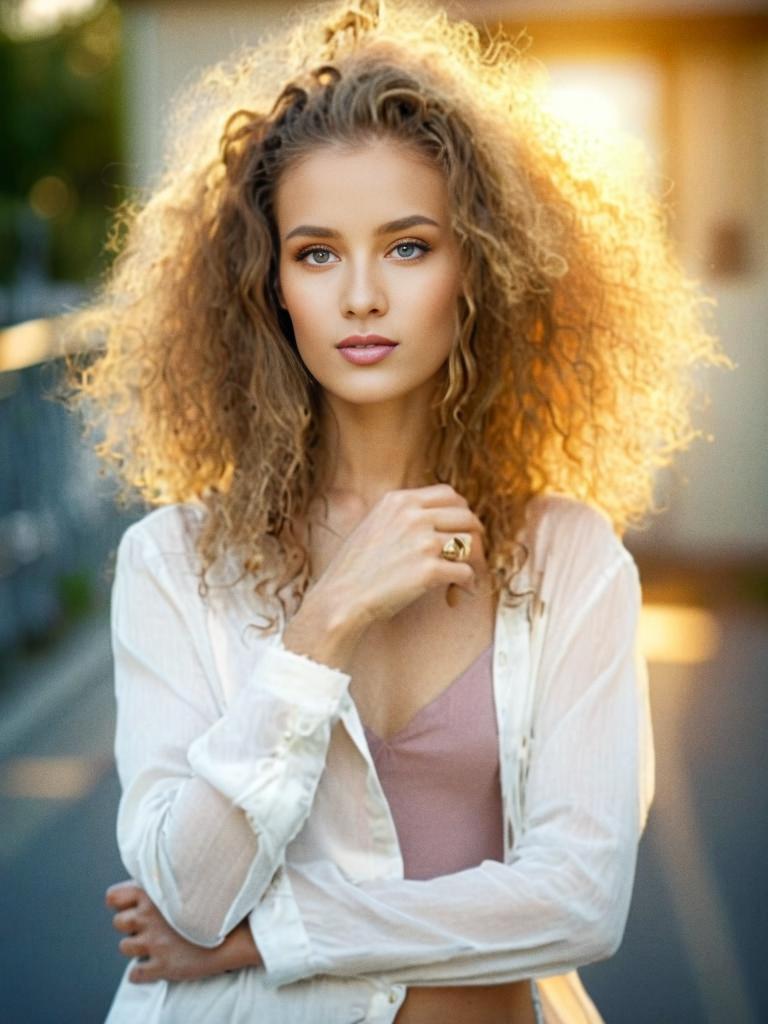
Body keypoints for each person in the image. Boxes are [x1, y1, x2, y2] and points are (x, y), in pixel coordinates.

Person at [64, 0, 728, 1021]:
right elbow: (187, 896)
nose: (362, 295)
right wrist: (323, 624)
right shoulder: (172, 559)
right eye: (317, 252)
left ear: (478, 270)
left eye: (409, 247)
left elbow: (581, 900)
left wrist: (274, 935)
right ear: (271, 286)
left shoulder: (571, 558)